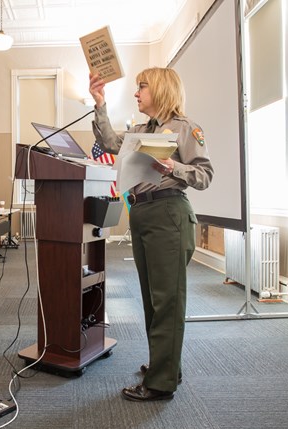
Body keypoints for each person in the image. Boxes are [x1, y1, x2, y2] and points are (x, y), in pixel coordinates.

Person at [89, 68, 213, 402]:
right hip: (143, 213)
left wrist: (175, 167)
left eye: (141, 86)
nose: (136, 93)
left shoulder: (186, 129)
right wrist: (100, 102)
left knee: (167, 301)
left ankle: (161, 383)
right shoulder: (143, 130)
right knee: (152, 300)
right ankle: (164, 365)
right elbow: (109, 142)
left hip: (169, 213)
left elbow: (204, 175)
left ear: (160, 89)